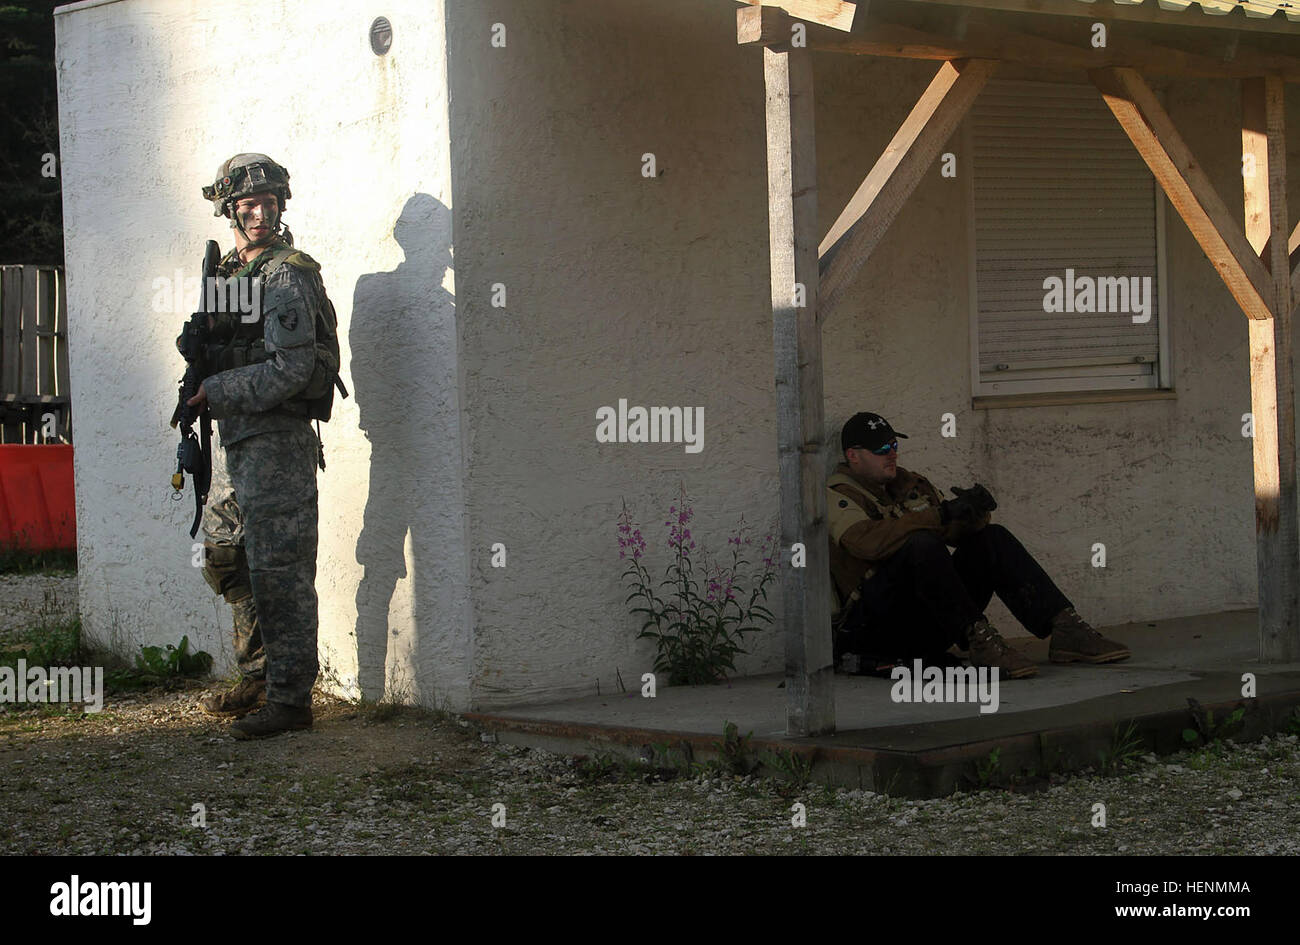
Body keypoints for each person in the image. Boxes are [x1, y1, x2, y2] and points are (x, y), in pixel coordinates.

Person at [188, 153, 341, 738]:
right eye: (248, 204)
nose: (259, 213)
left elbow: (293, 368)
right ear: (230, 208)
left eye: (269, 203)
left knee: (280, 569)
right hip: (233, 439)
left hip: (275, 439)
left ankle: (291, 700)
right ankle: (256, 674)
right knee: (226, 555)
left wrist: (217, 388)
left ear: (282, 205)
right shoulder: (230, 275)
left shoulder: (286, 275)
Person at [828, 412, 1129, 679]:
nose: (891, 454)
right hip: (874, 629)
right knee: (921, 544)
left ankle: (1065, 629)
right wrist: (940, 515)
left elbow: (950, 533)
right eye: (881, 449)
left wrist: (972, 515)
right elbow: (866, 543)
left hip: (925, 619)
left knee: (991, 538)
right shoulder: (838, 493)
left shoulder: (905, 484)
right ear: (853, 455)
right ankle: (979, 640)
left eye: (894, 445)